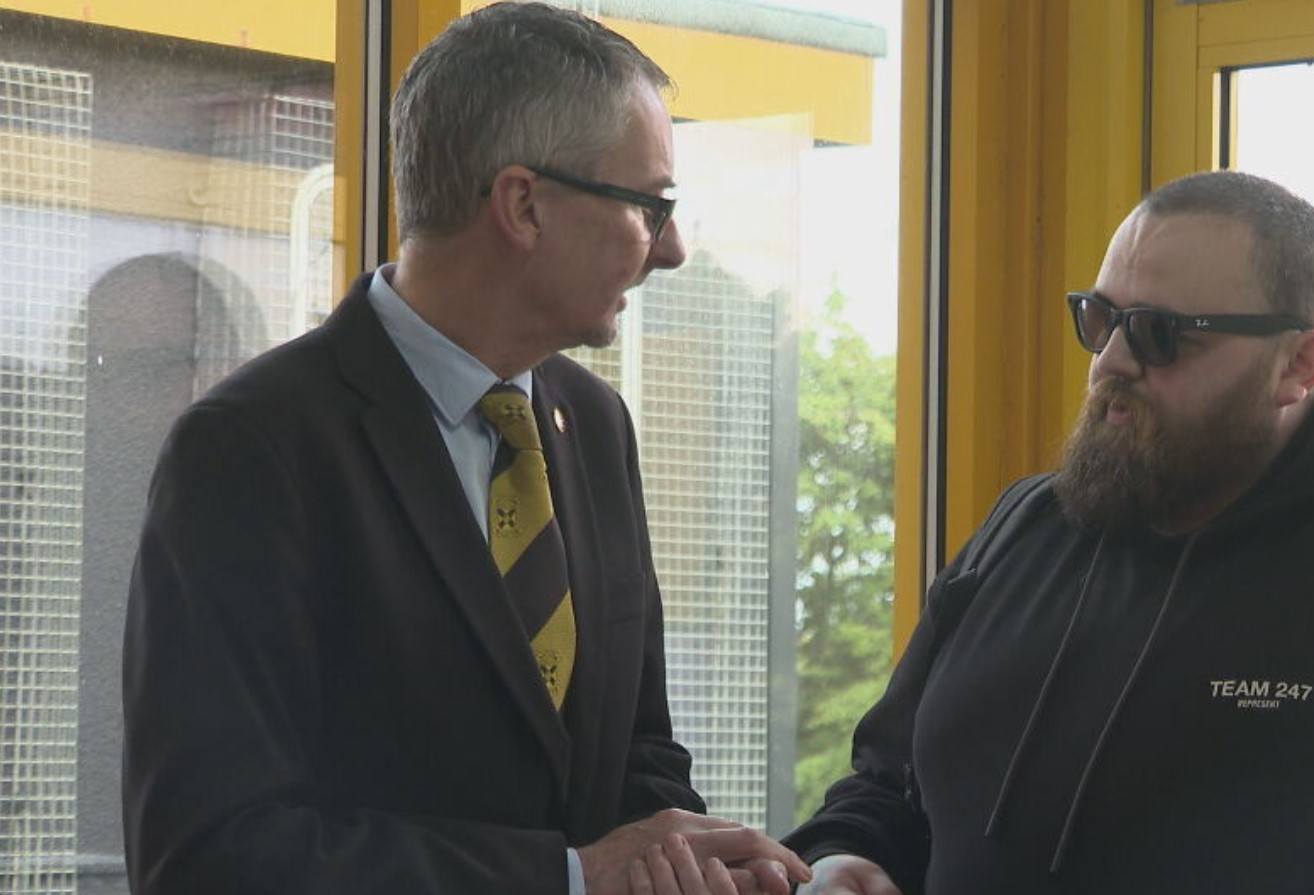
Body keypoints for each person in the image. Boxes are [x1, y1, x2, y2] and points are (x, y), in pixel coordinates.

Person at [121, 4, 809, 894]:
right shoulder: (250, 450)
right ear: (522, 204)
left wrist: (688, 863)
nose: (670, 249)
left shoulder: (596, 426)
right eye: (649, 205)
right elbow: (206, 855)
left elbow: (633, 750)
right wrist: (566, 877)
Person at [783, 170, 1314, 894]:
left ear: (1300, 367)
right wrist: (841, 854)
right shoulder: (1023, 530)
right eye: (1099, 318)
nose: (1110, 359)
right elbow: (885, 782)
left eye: (1160, 334)